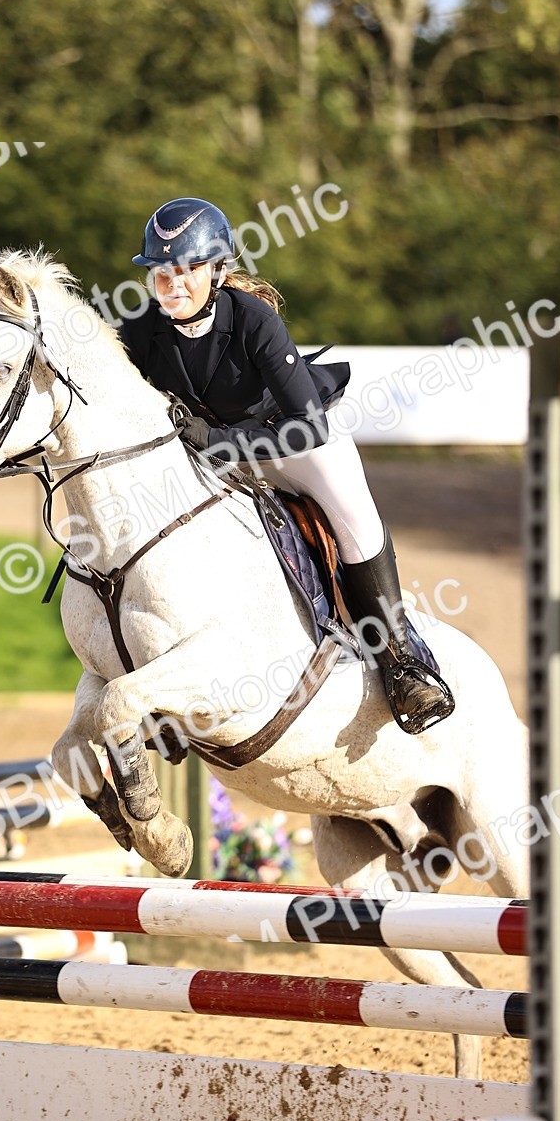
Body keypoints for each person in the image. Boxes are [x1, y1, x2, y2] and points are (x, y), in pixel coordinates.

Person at [120, 196, 455, 735]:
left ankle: (400, 661)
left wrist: (219, 439)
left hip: (296, 443)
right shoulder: (139, 330)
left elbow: (308, 423)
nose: (172, 283)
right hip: (216, 456)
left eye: (187, 269)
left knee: (354, 519)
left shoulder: (252, 318)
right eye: (161, 271)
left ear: (217, 270)